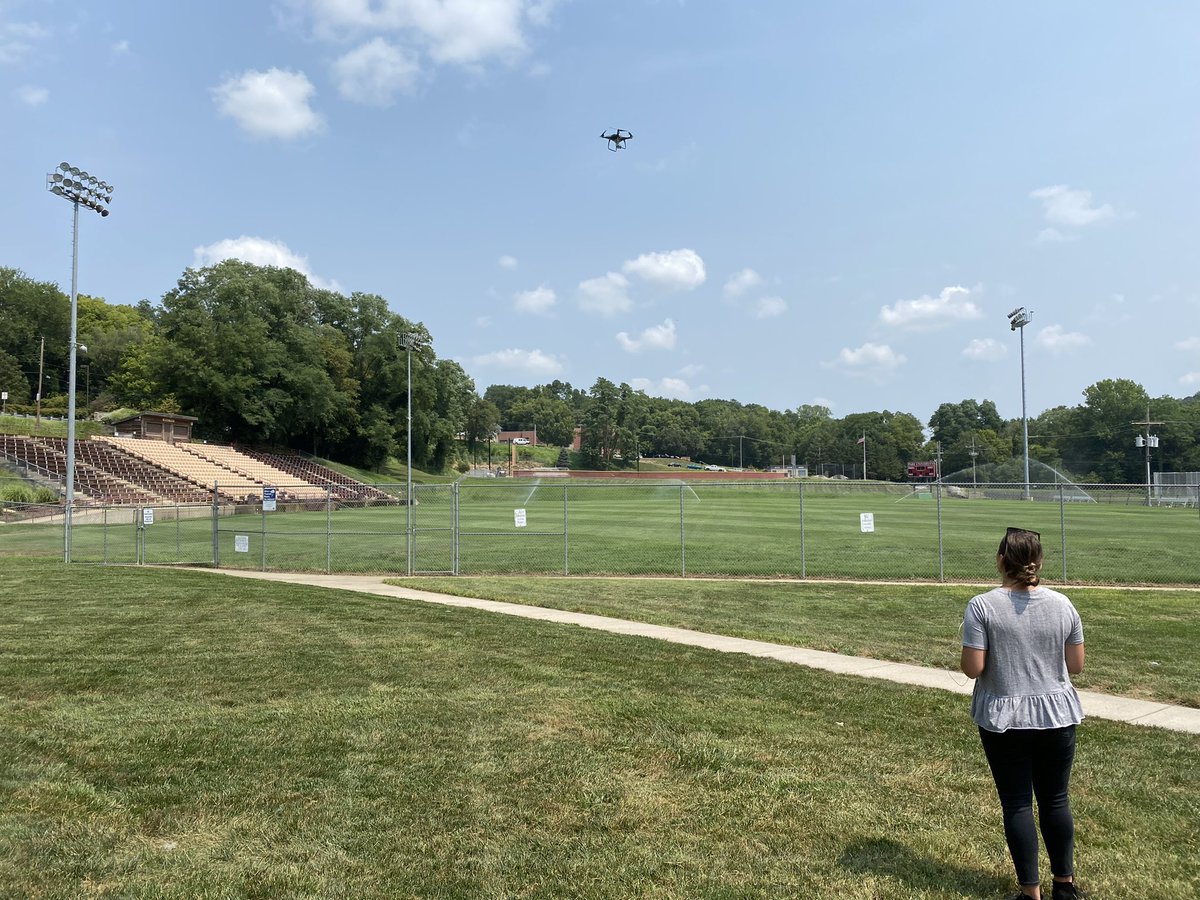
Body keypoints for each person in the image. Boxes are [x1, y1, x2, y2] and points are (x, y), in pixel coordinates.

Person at [960, 527, 1086, 900]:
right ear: (1039, 562)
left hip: (1004, 717)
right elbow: (1075, 665)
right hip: (1057, 714)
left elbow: (973, 668)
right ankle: (1064, 884)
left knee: (1017, 802)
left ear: (1001, 561)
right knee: (1056, 799)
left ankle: (1030, 892)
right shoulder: (1064, 604)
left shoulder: (982, 606)